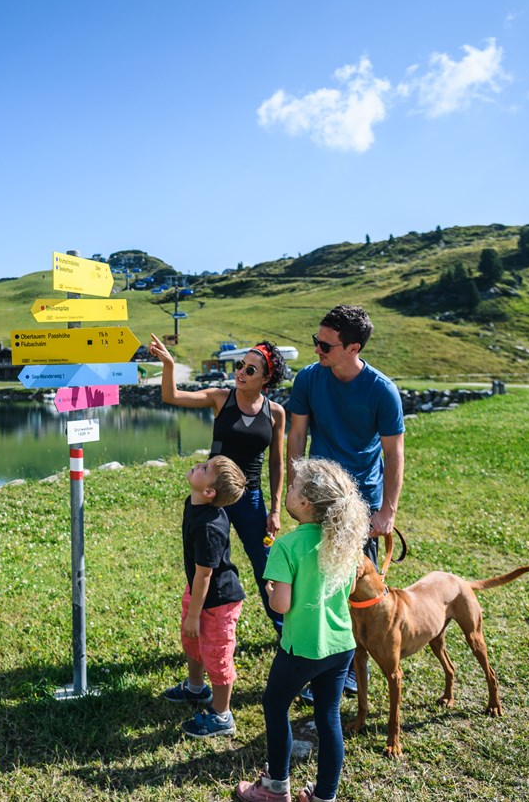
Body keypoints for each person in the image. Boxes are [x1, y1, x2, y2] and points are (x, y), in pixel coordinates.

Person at [233, 458, 370, 802]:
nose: (288, 490)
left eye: (293, 487)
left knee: (274, 704)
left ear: (305, 503)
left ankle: (276, 787)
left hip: (301, 649)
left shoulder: (286, 546)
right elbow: (350, 587)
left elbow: (280, 605)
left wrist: (269, 590)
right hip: (340, 647)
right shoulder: (345, 541)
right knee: (328, 715)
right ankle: (325, 796)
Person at [286, 304, 404, 695]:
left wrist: (387, 510)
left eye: (325, 344)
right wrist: (295, 484)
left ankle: (350, 667)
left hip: (361, 503)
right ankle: (317, 658)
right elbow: (297, 436)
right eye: (316, 340)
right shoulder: (308, 379)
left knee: (352, 588)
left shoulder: (381, 390)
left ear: (353, 348)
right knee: (315, 579)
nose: (317, 349)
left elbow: (394, 453)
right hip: (317, 496)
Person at [148, 333, 287, 625]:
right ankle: (206, 626)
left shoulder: (275, 413)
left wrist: (274, 509)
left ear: (266, 378)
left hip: (250, 498)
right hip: (214, 498)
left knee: (266, 565)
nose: (240, 372)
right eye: (240, 365)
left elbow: (276, 462)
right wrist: (170, 365)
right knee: (209, 564)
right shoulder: (220, 398)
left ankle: (283, 631)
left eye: (250, 369)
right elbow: (171, 396)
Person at [161, 455, 248, 737]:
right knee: (192, 640)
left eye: (205, 469)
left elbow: (205, 575)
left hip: (217, 603)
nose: (199, 465)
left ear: (209, 492)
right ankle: (196, 688)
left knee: (217, 655)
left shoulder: (210, 526)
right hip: (199, 594)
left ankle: (222, 715)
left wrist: (196, 614)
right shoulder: (195, 503)